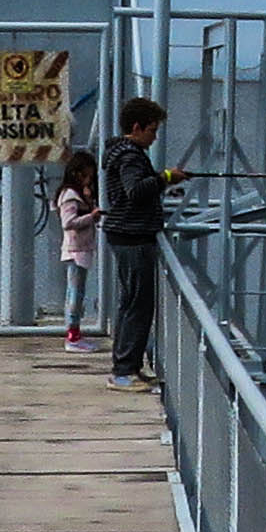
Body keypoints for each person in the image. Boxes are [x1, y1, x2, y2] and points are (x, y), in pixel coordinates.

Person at [101, 92, 172, 385]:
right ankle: (124, 371)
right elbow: (135, 190)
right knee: (138, 306)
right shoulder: (130, 156)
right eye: (152, 130)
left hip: (125, 235)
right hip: (133, 238)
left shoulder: (120, 153)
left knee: (131, 303)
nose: (155, 137)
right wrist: (166, 178)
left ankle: (127, 365)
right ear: (137, 127)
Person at [53, 145, 99, 349]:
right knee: (75, 293)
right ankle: (72, 336)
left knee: (77, 292)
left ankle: (75, 333)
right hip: (75, 250)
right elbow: (68, 222)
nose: (88, 180)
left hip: (81, 248)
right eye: (86, 176)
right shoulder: (70, 195)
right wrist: (91, 217)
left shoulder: (78, 194)